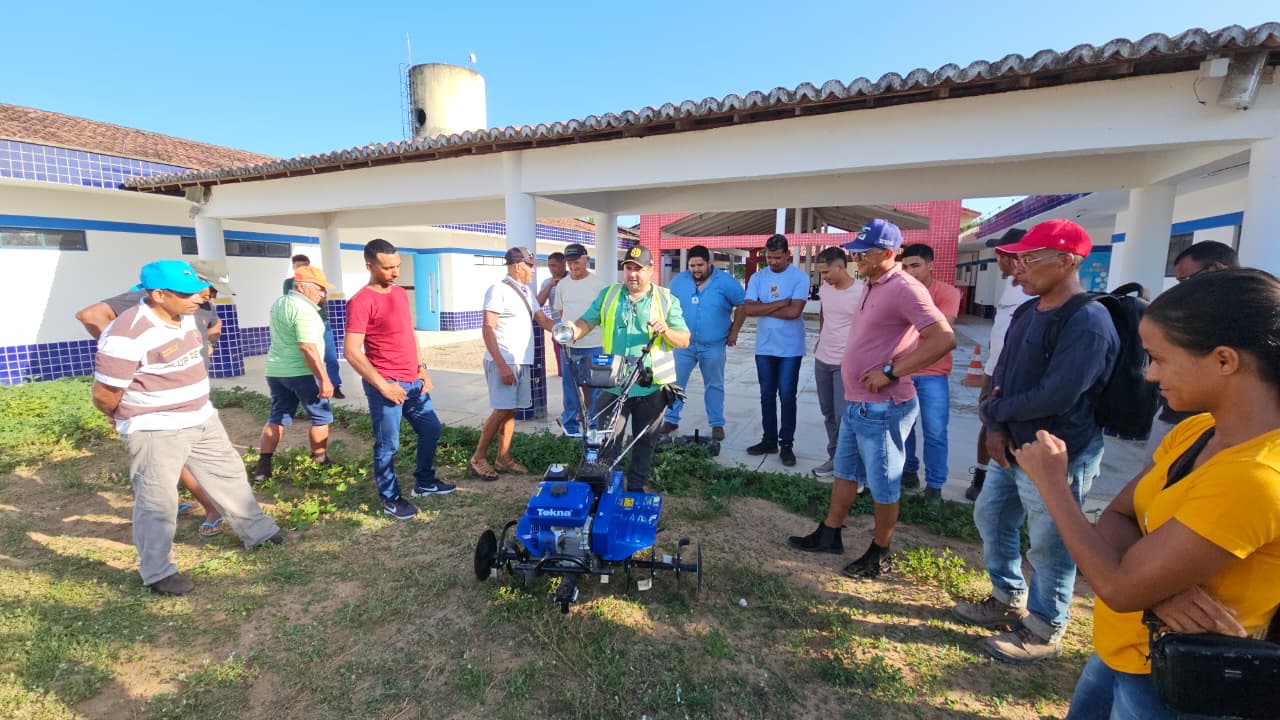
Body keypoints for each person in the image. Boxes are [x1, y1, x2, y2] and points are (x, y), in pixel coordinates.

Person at [1013, 268, 1280, 718]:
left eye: (1159, 358)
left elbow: (1116, 588)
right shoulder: (1200, 430)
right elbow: (1120, 516)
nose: (1150, 374)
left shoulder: (1254, 477)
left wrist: (1054, 486)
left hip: (1179, 684)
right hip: (1125, 649)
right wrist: (1155, 591)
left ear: (1224, 360)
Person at [954, 219, 1119, 663]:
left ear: (1067, 261)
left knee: (1050, 539)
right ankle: (1007, 596)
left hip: (1058, 453)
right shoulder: (1030, 310)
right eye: (1017, 259)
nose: (1017, 269)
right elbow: (1004, 373)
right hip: (1013, 445)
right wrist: (996, 427)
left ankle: (1045, 626)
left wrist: (993, 413)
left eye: (1029, 259)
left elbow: (1058, 395)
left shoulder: (1087, 320)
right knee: (992, 516)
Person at [93, 260, 284, 595]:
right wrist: (125, 418)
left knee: (230, 476)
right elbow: (105, 394)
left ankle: (259, 533)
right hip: (156, 429)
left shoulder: (185, 317)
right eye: (187, 294)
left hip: (201, 418)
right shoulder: (127, 332)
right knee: (157, 501)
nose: (198, 298)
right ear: (158, 295)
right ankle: (158, 572)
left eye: (197, 291)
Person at [788, 219, 955, 578]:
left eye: (864, 251)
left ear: (889, 253)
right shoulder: (872, 283)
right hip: (858, 400)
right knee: (846, 471)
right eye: (855, 249)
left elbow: (943, 338)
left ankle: (881, 551)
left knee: (883, 481)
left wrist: (892, 372)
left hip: (884, 405)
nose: (855, 255)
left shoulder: (905, 288)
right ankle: (830, 533)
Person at [75, 258, 231, 537]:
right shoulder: (145, 299)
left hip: (190, 391)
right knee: (172, 454)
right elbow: (91, 315)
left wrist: (207, 345)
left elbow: (214, 326)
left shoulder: (198, 302)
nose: (210, 295)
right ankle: (209, 505)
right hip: (154, 401)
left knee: (190, 454)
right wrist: (124, 355)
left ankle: (201, 502)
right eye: (209, 287)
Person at [560, 246, 690, 491]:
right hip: (613, 385)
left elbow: (684, 339)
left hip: (650, 388)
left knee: (645, 442)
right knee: (607, 442)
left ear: (651, 271)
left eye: (639, 269)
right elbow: (587, 321)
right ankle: (608, 488)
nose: (632, 274)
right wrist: (573, 331)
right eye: (629, 268)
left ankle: (636, 489)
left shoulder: (665, 299)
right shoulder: (609, 295)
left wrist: (666, 331)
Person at [344, 239, 454, 521]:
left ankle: (425, 482)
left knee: (431, 430)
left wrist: (422, 368)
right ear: (369, 266)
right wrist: (383, 385)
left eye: (397, 266)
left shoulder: (400, 294)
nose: (395, 272)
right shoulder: (361, 301)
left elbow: (410, 333)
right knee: (387, 446)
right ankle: (391, 499)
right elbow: (352, 352)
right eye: (388, 267)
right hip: (386, 384)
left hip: (413, 381)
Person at [1145, 241, 1241, 455]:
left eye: (1187, 279)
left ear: (1217, 268)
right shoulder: (1188, 310)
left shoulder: (1248, 316)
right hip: (1175, 418)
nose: (1184, 288)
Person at [469, 247, 556, 481]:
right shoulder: (497, 290)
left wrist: (566, 332)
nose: (532, 271)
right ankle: (478, 457)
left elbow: (543, 319)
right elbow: (488, 328)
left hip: (521, 361)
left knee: (511, 410)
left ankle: (503, 458)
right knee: (501, 410)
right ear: (518, 266)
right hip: (504, 361)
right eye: (530, 266)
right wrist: (501, 365)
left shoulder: (527, 292)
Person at [252, 265, 337, 482]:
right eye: (319, 288)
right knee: (321, 417)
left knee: (277, 416)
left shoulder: (280, 303)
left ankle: (263, 466)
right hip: (302, 373)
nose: (322, 293)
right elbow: (308, 347)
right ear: (301, 286)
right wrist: (324, 379)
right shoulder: (305, 311)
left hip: (276, 370)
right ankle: (320, 461)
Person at [732, 234, 809, 466]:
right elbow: (749, 309)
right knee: (767, 395)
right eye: (769, 257)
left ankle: (787, 445)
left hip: (790, 348)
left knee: (787, 396)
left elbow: (794, 313)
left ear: (788, 254)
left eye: (777, 257)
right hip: (764, 347)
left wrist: (763, 307)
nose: (773, 262)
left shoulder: (800, 277)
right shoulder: (758, 277)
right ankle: (769, 440)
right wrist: (779, 303)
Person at [898, 243, 962, 505]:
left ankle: (934, 486)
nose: (910, 272)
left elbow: (941, 332)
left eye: (916, 266)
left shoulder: (947, 293)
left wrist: (910, 326)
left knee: (935, 432)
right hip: (903, 370)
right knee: (905, 429)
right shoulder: (899, 292)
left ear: (931, 265)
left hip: (934, 373)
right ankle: (909, 472)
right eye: (905, 267)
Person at [969, 229, 1029, 500]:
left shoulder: (1032, 290)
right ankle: (981, 476)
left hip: (1015, 374)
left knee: (1009, 427)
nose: (997, 259)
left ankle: (1010, 480)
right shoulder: (1010, 285)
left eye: (1000, 253)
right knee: (987, 421)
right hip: (993, 369)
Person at [662, 244, 745, 441]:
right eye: (692, 266)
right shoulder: (678, 282)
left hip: (713, 345)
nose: (696, 269)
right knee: (675, 384)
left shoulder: (726, 282)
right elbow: (668, 307)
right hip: (684, 345)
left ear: (709, 263)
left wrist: (734, 332)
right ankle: (671, 419)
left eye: (700, 265)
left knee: (714, 385)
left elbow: (742, 305)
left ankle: (717, 424)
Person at [810, 246, 864, 479]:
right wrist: (822, 337)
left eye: (826, 272)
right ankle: (834, 457)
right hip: (823, 358)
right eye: (820, 273)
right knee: (828, 413)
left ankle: (847, 463)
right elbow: (825, 314)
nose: (823, 278)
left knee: (845, 416)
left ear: (840, 267)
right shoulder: (825, 289)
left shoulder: (862, 292)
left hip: (847, 362)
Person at [552, 243, 607, 438]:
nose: (573, 267)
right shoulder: (562, 285)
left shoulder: (599, 285)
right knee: (570, 388)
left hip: (594, 345)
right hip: (569, 347)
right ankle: (570, 427)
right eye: (570, 263)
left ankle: (594, 425)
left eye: (577, 263)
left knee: (595, 390)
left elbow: (604, 315)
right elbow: (561, 312)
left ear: (587, 260)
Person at [284, 254, 344, 399]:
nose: (302, 269)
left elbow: (322, 299)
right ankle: (318, 388)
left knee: (331, 358)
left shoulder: (316, 280)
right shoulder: (289, 283)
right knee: (312, 357)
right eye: (299, 266)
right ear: (294, 267)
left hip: (323, 323)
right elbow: (292, 301)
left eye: (305, 266)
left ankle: (335, 386)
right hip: (306, 326)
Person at [537, 251, 568, 379]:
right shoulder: (546, 283)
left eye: (554, 265)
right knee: (563, 371)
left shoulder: (572, 279)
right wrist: (551, 285)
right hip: (558, 330)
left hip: (574, 328)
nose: (551, 269)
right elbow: (538, 303)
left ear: (563, 264)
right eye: (549, 265)